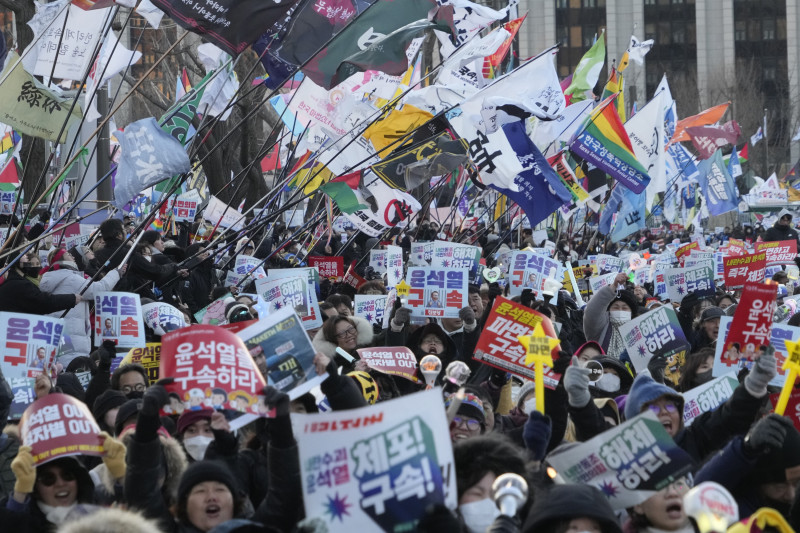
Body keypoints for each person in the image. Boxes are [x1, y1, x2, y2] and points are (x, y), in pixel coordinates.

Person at [40, 248, 123, 364]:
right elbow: (98, 289)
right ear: (61, 259)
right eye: (68, 254)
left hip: (61, 334)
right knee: (75, 368)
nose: (73, 257)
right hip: (73, 336)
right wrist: (116, 273)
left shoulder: (52, 277)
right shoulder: (69, 278)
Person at [0, 255, 81, 314]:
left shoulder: (15, 282)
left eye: (38, 264)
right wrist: (71, 299)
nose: (26, 257)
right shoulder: (18, 284)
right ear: (14, 261)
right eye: (22, 255)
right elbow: (42, 302)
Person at [583, 273, 638, 359]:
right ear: (608, 310)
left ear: (631, 313)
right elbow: (592, 311)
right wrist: (613, 286)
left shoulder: (638, 331)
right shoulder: (601, 328)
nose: (620, 311)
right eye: (616, 307)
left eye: (624, 308)